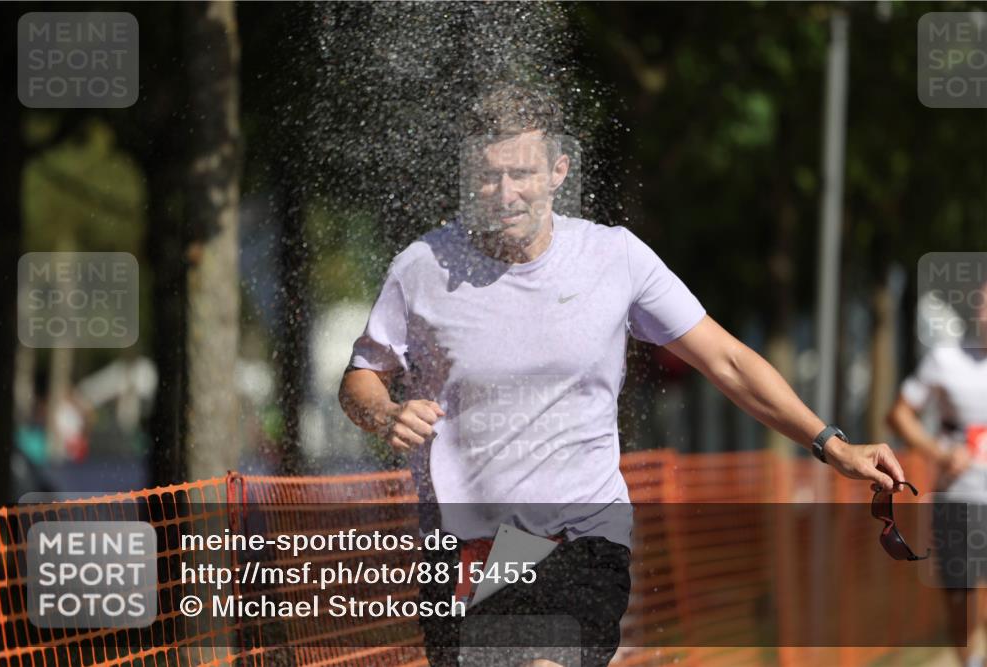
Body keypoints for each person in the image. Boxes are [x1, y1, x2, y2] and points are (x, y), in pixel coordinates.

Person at [339, 83, 910, 667]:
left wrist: (830, 443)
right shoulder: (423, 266)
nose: (505, 194)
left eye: (522, 174)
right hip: (463, 542)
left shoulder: (614, 258)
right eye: (488, 176)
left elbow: (728, 360)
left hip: (583, 534)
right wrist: (384, 413)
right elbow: (361, 378)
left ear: (559, 170)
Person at [887, 280, 987, 667]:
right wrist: (940, 452)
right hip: (957, 495)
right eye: (981, 302)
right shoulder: (945, 360)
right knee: (960, 594)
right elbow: (898, 415)